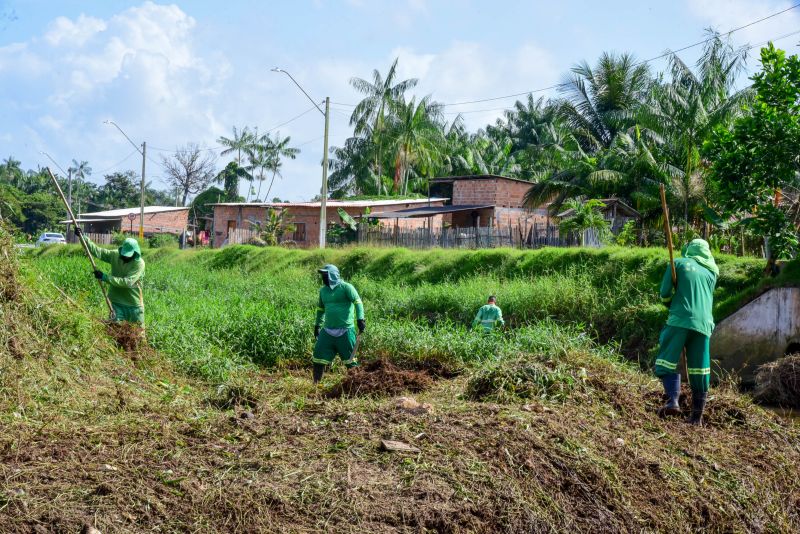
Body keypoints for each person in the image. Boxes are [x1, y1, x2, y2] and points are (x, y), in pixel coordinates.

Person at [654, 238, 718, 425]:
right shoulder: (712, 272)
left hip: (680, 320)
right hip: (704, 325)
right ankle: (696, 418)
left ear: (689, 249)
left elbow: (665, 293)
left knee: (665, 362)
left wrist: (671, 305)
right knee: (700, 370)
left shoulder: (678, 263)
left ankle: (673, 401)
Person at [74, 227, 145, 324]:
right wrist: (83, 237)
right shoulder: (115, 255)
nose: (125, 258)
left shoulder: (139, 264)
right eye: (123, 255)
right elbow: (98, 251)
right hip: (116, 302)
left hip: (133, 304)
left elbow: (128, 282)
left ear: (135, 254)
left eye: (128, 256)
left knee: (138, 334)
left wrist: (105, 277)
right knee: (115, 331)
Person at [312, 264, 365, 383]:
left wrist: (360, 319)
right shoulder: (323, 291)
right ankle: (316, 385)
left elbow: (358, 302)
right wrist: (317, 326)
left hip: (346, 331)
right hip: (327, 331)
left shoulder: (346, 287)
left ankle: (356, 385)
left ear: (333, 275)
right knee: (318, 357)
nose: (324, 278)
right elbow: (320, 309)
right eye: (323, 275)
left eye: (326, 275)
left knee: (351, 361)